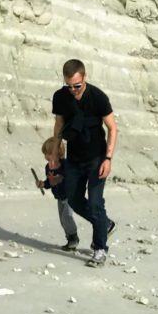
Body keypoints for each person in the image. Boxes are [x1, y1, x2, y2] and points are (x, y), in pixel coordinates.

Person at [52, 59, 118, 267]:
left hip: (97, 158)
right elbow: (58, 126)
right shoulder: (60, 97)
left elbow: (112, 128)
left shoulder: (98, 97)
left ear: (84, 78)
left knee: (96, 203)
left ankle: (100, 248)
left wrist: (108, 158)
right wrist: (54, 156)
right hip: (73, 159)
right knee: (73, 200)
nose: (73, 90)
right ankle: (104, 224)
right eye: (69, 85)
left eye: (77, 86)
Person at [36, 137, 79, 251]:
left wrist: (60, 178)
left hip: (69, 196)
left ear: (58, 153)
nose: (46, 156)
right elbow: (50, 183)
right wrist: (43, 184)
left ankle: (74, 237)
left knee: (67, 216)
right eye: (45, 153)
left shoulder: (65, 165)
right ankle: (70, 240)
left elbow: (69, 177)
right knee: (62, 220)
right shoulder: (48, 167)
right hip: (60, 197)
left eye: (48, 153)